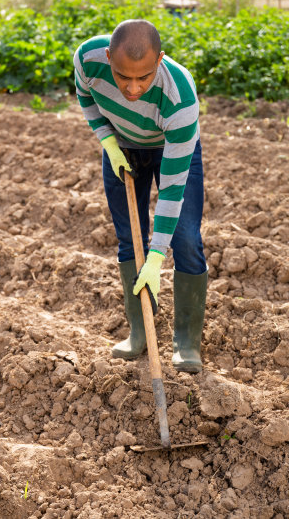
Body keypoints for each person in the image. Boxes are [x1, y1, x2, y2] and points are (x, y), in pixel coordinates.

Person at [73, 19, 207, 373]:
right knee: (128, 240)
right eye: (122, 77)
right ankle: (139, 332)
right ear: (107, 58)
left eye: (143, 78)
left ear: (160, 60)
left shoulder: (179, 99)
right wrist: (107, 141)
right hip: (121, 146)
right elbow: (85, 95)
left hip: (171, 149)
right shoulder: (89, 59)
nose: (132, 89)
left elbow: (173, 190)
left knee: (187, 239)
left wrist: (157, 257)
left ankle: (187, 342)